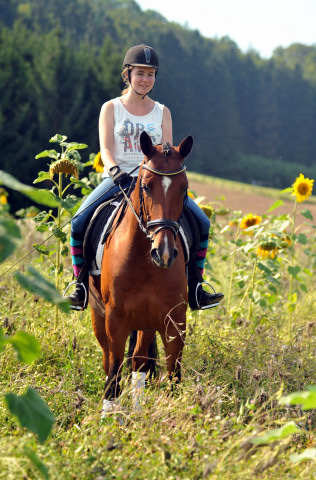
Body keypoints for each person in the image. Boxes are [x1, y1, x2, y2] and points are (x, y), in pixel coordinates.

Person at [65, 44, 224, 310]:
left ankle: (196, 286)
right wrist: (115, 171)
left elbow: (166, 153)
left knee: (203, 223)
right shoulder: (111, 108)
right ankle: (80, 286)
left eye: (151, 74)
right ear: (127, 74)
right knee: (78, 221)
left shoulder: (162, 112)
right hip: (117, 179)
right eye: (140, 73)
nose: (146, 79)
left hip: (152, 183)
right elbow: (105, 148)